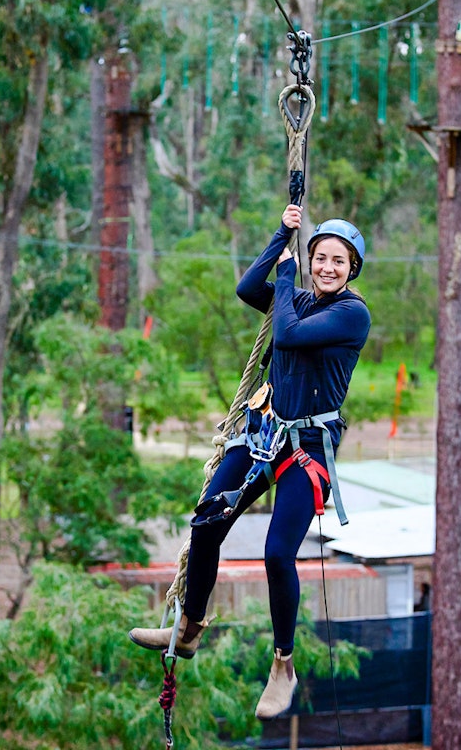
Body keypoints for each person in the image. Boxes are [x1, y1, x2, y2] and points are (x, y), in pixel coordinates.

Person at [129, 203, 371, 719]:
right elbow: (247, 289)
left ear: (352, 270)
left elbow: (286, 334)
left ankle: (283, 664)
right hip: (264, 431)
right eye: (320, 258)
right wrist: (279, 236)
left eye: (339, 261)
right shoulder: (298, 297)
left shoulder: (351, 314)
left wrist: (286, 276)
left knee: (278, 554)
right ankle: (190, 626)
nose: (327, 267)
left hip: (307, 447)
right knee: (206, 520)